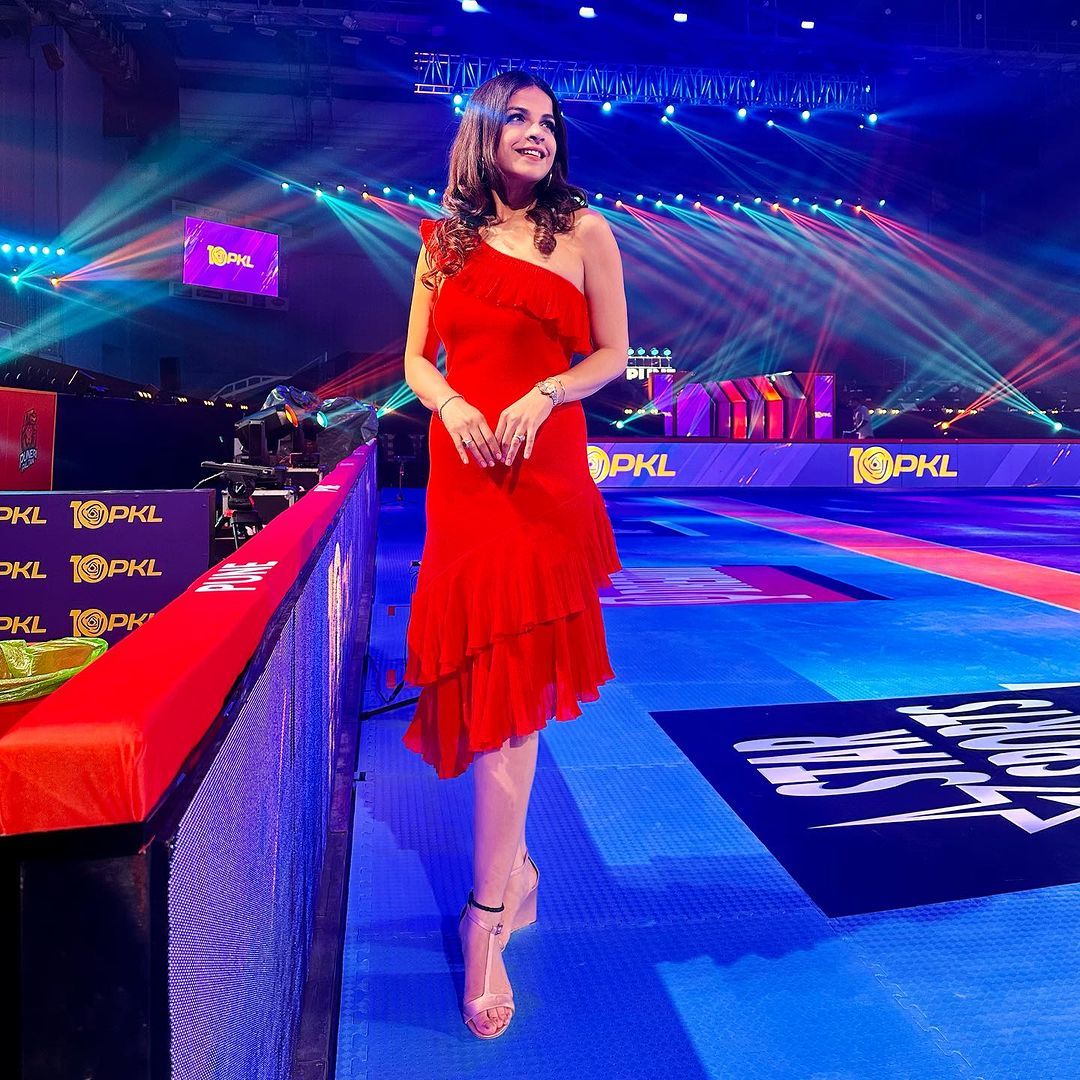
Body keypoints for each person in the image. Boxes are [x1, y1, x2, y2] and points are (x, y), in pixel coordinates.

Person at [401, 70, 628, 1039]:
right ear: (484, 132)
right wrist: (452, 404)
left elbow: (613, 353)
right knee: (492, 700)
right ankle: (517, 874)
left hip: (546, 485)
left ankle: (486, 917)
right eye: (521, 119)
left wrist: (546, 392)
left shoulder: (585, 232)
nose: (539, 133)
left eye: (549, 122)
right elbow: (416, 359)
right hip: (465, 484)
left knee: (514, 709)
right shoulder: (442, 241)